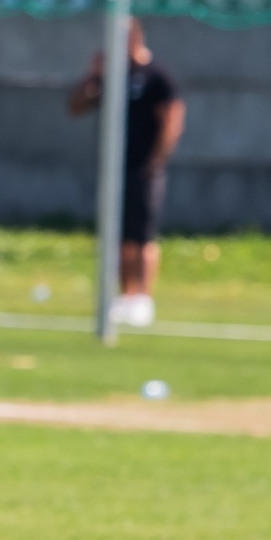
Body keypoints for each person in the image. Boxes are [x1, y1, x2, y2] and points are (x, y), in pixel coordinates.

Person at [69, 18, 185, 327]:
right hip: (115, 168)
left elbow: (172, 117)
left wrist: (157, 159)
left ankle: (143, 297)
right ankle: (126, 295)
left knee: (142, 234)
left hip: (144, 168)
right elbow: (77, 107)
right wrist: (93, 77)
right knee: (119, 234)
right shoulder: (113, 75)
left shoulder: (155, 76)